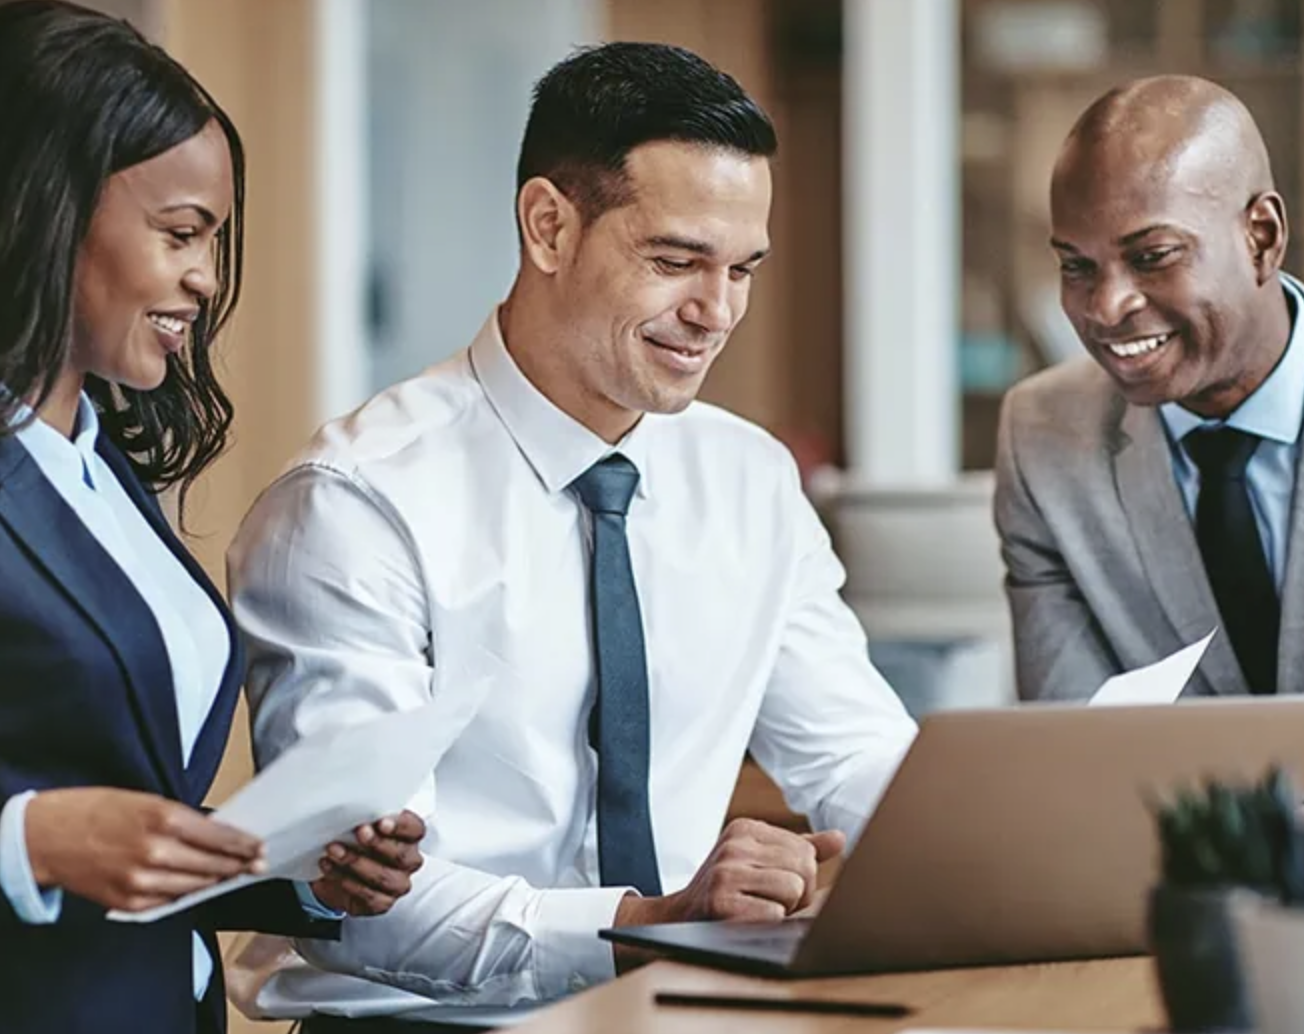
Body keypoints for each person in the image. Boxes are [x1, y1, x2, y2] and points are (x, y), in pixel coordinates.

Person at [226, 41, 917, 1030]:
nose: (713, 312)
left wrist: (964, 854)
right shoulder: (355, 504)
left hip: (679, 1012)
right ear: (548, 224)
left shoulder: (750, 480)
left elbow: (852, 756)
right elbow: (361, 905)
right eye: (674, 260)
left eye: (740, 270)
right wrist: (650, 920)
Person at [0, 4, 426, 1033]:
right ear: (45, 208)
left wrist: (306, 873)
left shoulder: (99, 466)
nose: (204, 276)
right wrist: (28, 839)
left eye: (214, 239)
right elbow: (65, 827)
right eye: (180, 232)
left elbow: (138, 822)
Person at [995, 75, 1304, 701]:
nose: (1106, 308)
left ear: (1262, 237)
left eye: (1153, 255)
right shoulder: (1043, 437)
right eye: (1076, 266)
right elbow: (1075, 738)